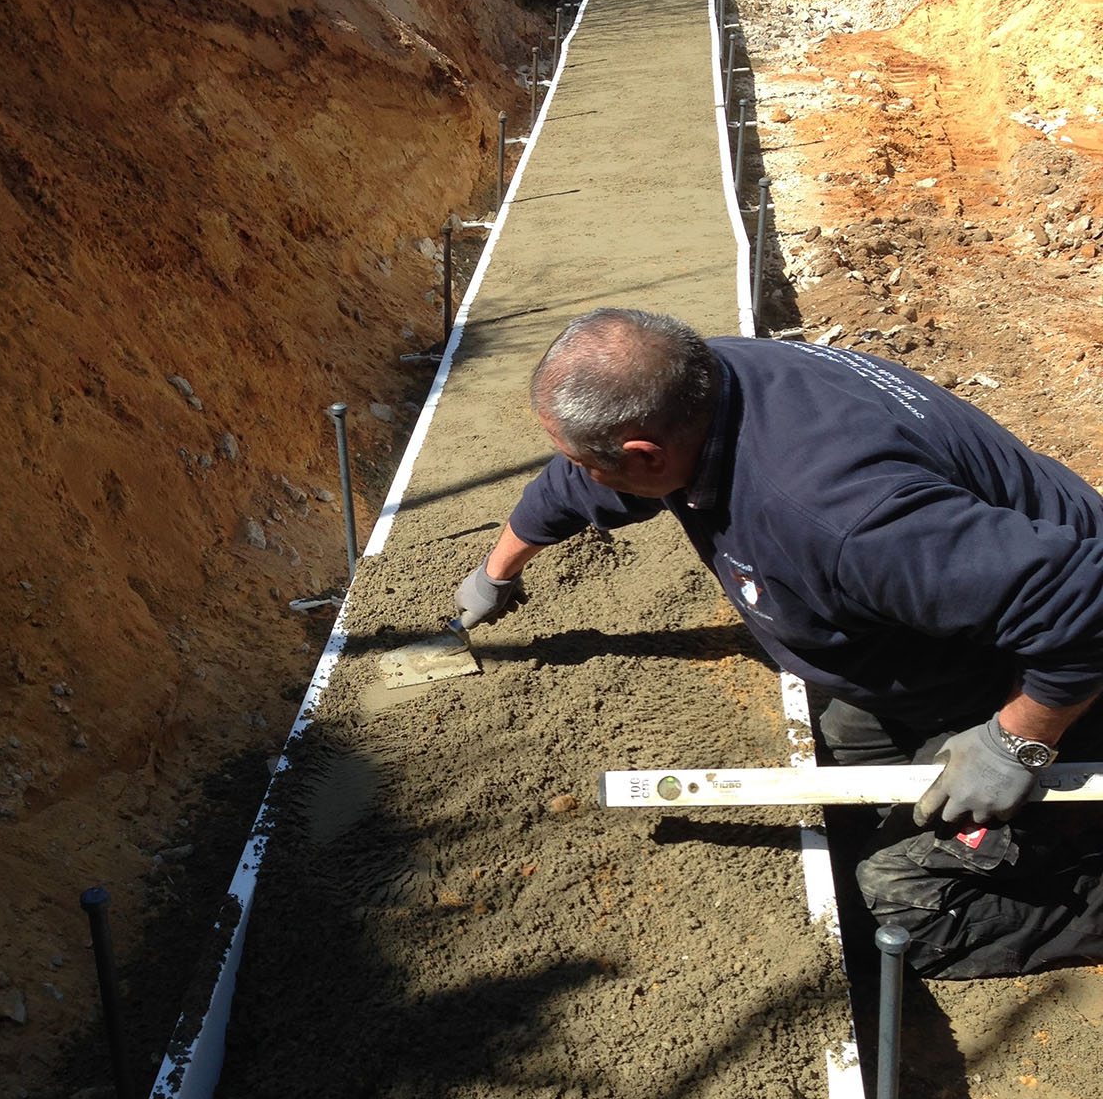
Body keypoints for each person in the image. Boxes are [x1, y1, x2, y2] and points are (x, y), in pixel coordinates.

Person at [453, 306, 1103, 979]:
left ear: (646, 454)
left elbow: (1086, 606)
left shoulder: (841, 519)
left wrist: (1018, 742)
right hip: (974, 611)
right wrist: (496, 573)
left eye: (585, 461)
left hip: (1061, 661)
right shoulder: (705, 382)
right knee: (848, 739)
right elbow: (581, 481)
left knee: (907, 909)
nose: (579, 472)